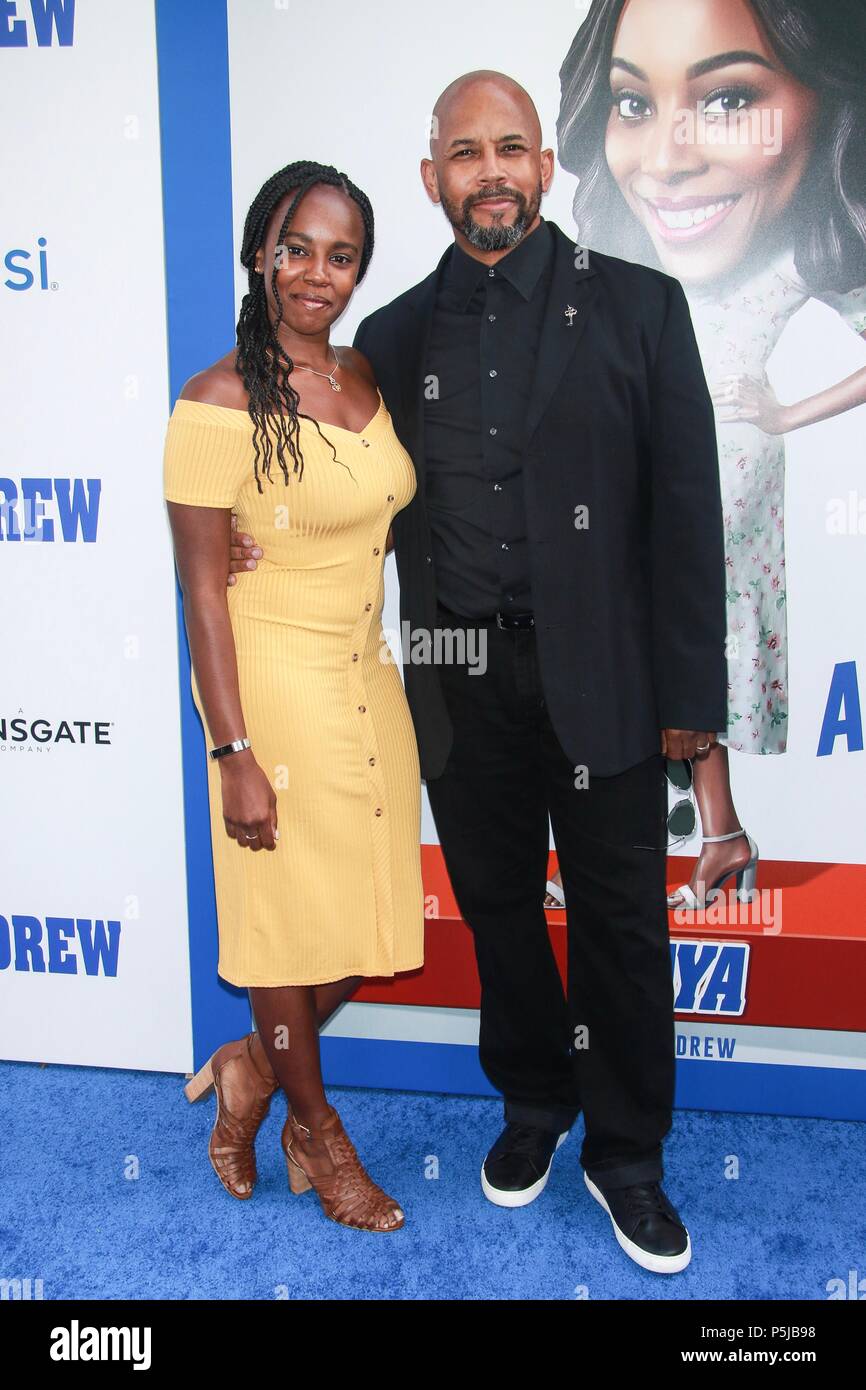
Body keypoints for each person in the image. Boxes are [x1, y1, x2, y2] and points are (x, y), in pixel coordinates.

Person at [230, 72, 728, 1274]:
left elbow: (686, 521)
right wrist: (253, 527)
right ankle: (533, 1106)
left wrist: (692, 715)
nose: (489, 170)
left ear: (546, 167)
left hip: (602, 677)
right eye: (464, 152)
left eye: (510, 148)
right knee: (500, 913)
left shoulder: (641, 307)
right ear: (431, 177)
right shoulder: (388, 339)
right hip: (454, 674)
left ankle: (627, 1157)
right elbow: (332, 479)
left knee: (616, 922)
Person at [553, 0, 866, 911]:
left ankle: (685, 840)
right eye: (634, 104)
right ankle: (713, 834)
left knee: (685, 653)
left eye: (729, 99)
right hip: (638, 456)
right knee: (661, 652)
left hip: (725, 464)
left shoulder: (797, 253)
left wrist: (784, 413)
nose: (669, 157)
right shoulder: (619, 252)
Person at [163, 160, 425, 1233]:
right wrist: (233, 752)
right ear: (258, 255)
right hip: (269, 685)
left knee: (364, 925)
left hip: (365, 676)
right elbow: (201, 591)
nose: (317, 273)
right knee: (282, 930)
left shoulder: (362, 375)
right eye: (297, 248)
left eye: (340, 253)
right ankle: (316, 1130)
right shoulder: (218, 399)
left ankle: (248, 1068)